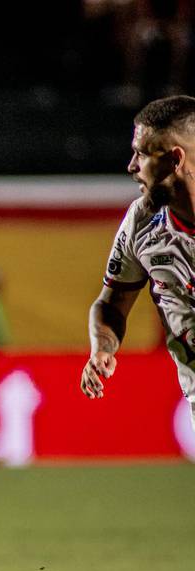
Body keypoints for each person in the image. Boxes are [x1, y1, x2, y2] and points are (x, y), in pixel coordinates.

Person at [81, 94, 195, 430]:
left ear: (175, 159)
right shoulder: (142, 223)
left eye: (142, 154)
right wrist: (102, 347)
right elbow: (112, 303)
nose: (131, 166)